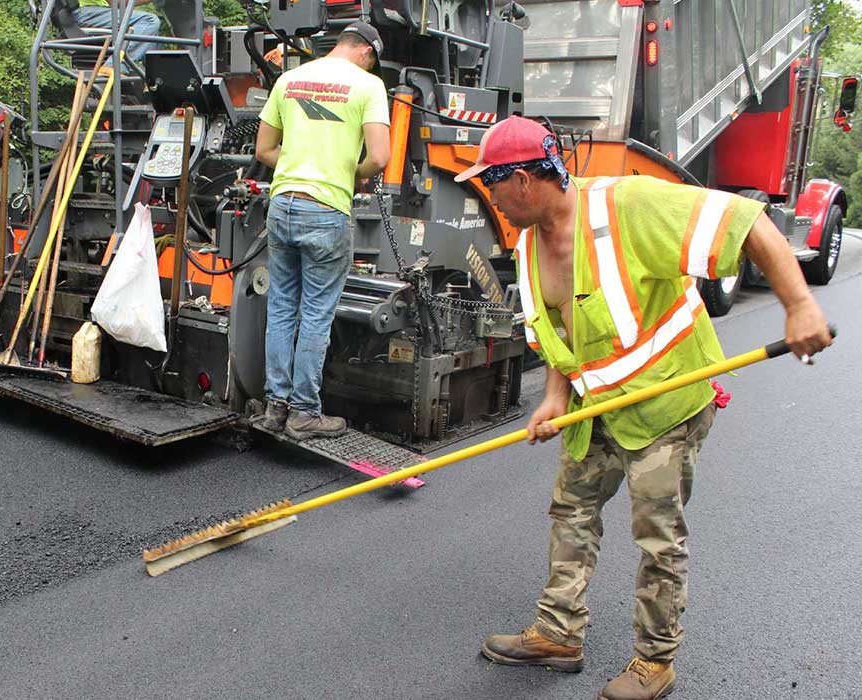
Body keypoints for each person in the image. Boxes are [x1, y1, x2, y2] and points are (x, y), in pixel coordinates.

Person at [454, 116, 832, 700]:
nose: (490, 197)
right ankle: (558, 633)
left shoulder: (625, 206)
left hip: (667, 401)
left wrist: (799, 306)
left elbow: (746, 221)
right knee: (571, 511)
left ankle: (655, 662)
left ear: (525, 180)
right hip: (597, 406)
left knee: (657, 533)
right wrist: (555, 398)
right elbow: (561, 329)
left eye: (492, 185)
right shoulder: (529, 244)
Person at [254, 22, 391, 440]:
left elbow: (263, 150)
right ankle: (304, 412)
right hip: (325, 210)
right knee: (315, 314)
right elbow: (381, 158)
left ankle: (275, 407)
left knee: (281, 309)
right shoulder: (368, 86)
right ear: (367, 52)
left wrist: (301, 168)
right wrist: (347, 173)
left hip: (282, 205)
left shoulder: (289, 79)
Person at [73, 0, 163, 64]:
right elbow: (117, 2)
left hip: (95, 11)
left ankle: (153, 81)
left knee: (153, 36)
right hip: (86, 12)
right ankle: (114, 66)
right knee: (149, 21)